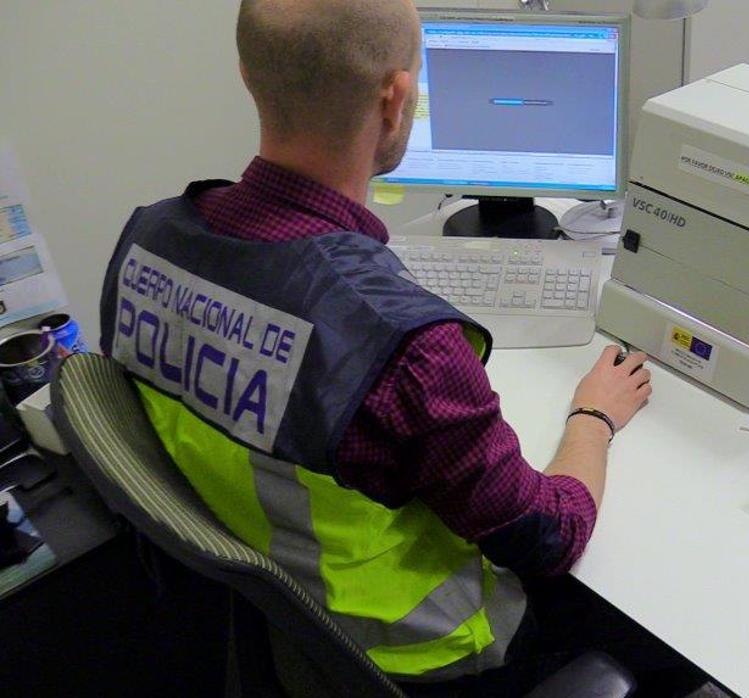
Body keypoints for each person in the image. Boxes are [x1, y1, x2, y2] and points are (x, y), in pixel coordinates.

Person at [98, 0, 706, 694]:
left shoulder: (147, 244)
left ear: (246, 73)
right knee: (671, 632)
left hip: (289, 617)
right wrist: (592, 419)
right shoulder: (403, 350)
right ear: (396, 101)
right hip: (429, 654)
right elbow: (551, 536)